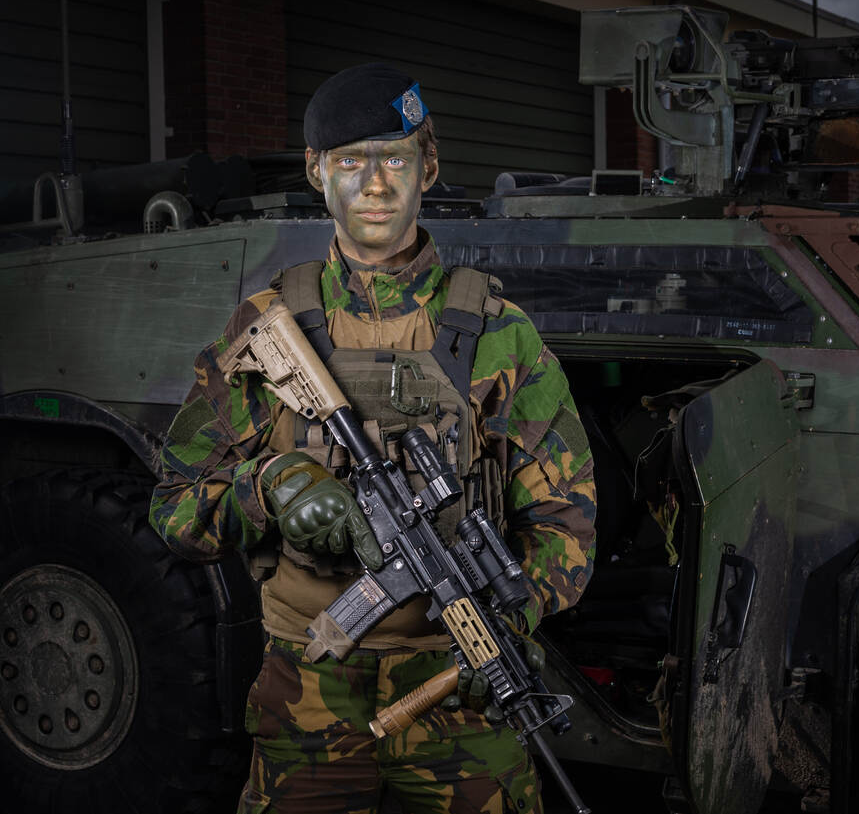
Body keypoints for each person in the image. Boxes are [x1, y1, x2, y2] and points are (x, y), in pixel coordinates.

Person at [150, 62, 596, 814]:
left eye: (395, 158)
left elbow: (568, 526)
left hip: (460, 699)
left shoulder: (501, 334)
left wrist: (506, 625)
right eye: (351, 161)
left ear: (430, 167)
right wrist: (269, 490)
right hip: (306, 691)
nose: (376, 184)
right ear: (316, 172)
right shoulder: (268, 326)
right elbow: (174, 508)